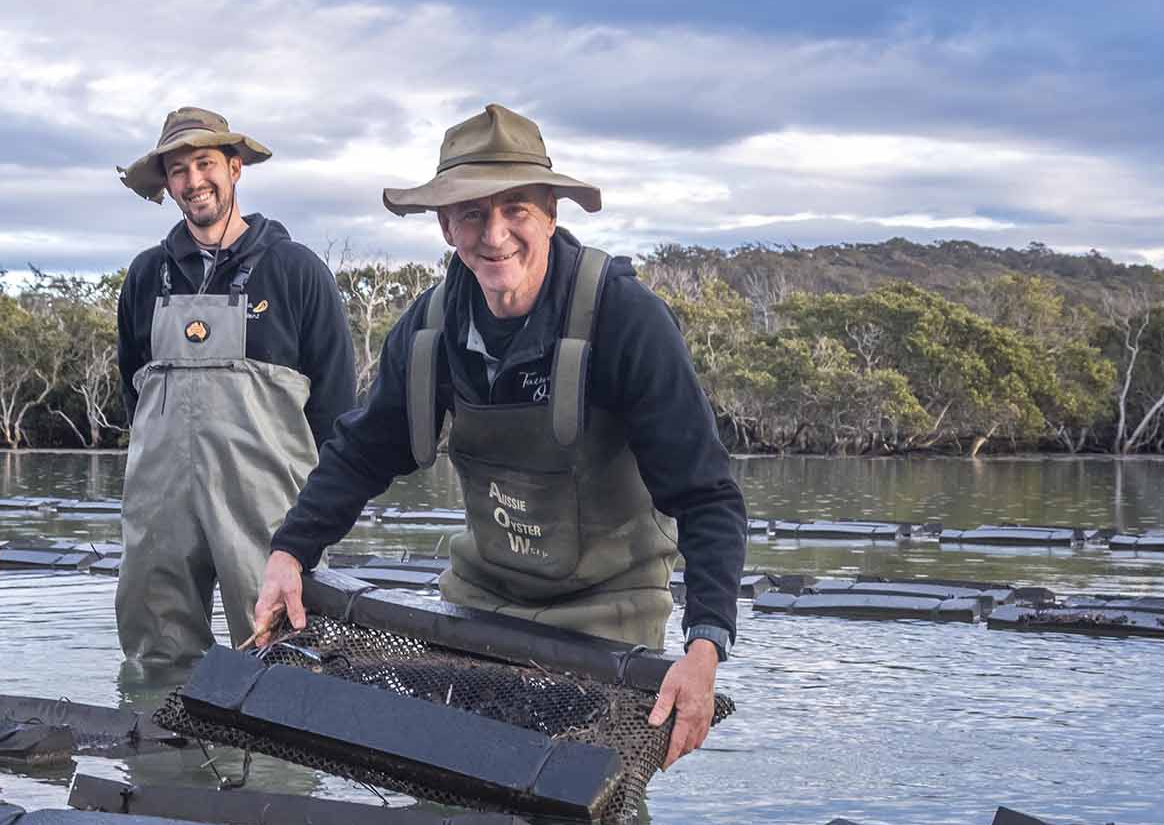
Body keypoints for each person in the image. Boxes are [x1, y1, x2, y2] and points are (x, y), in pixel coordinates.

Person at [253, 104, 746, 768]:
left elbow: (706, 496)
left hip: (607, 612)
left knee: (577, 798)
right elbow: (362, 450)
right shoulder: (429, 329)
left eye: (515, 208)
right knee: (468, 782)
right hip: (482, 601)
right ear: (444, 224)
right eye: (471, 213)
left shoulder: (626, 319)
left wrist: (704, 645)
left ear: (550, 211)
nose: (495, 234)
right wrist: (290, 551)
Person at [113, 107, 355, 669]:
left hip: (269, 509)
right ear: (166, 184)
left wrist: (312, 521)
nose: (193, 181)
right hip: (159, 505)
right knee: (155, 658)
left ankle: (281, 762)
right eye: (178, 170)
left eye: (204, 163)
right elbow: (135, 394)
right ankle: (162, 760)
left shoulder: (296, 270)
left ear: (235, 168)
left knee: (283, 658)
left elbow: (337, 407)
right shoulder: (146, 276)